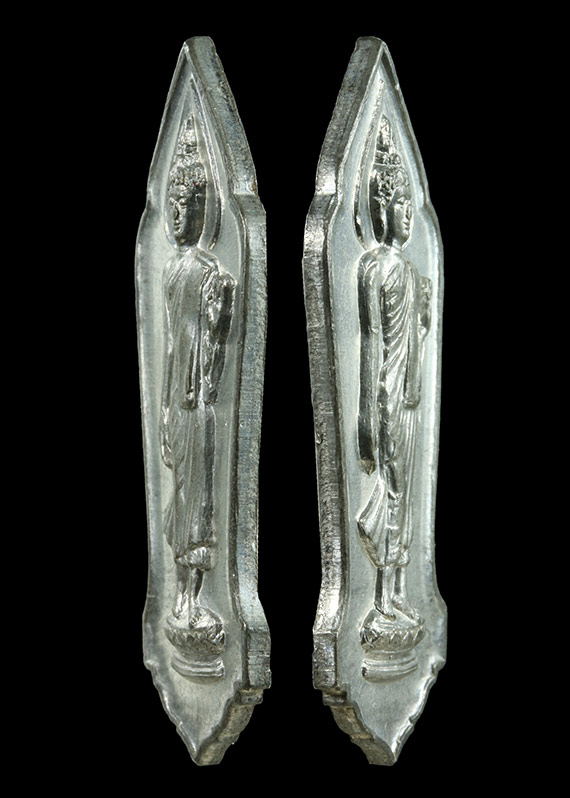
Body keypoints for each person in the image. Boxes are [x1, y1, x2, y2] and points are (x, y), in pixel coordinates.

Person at [160, 117, 235, 667]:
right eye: (174, 205)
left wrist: (222, 310)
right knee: (183, 496)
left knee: (202, 504)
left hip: (203, 403)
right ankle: (183, 600)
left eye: (189, 204)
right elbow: (170, 346)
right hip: (180, 405)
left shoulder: (211, 273)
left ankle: (196, 596)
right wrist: (167, 408)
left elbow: (217, 346)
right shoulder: (171, 273)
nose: (179, 214)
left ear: (204, 210)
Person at [357, 117, 431, 649]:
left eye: (410, 205)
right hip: (387, 396)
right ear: (383, 210)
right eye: (402, 206)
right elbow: (370, 345)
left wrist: (423, 321)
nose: (407, 215)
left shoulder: (409, 270)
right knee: (394, 490)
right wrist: (367, 415)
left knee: (406, 496)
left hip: (409, 397)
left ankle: (399, 593)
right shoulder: (376, 269)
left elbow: (413, 339)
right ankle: (382, 596)